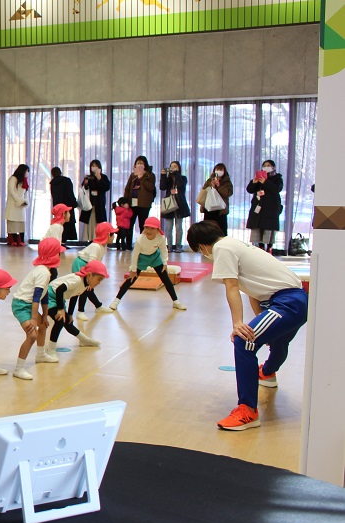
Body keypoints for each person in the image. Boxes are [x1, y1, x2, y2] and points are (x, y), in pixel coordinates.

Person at [186, 221, 308, 431]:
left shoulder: (221, 248)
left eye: (200, 250)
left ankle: (248, 411)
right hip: (296, 300)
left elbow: (232, 286)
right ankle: (267, 373)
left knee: (243, 340)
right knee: (277, 341)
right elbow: (253, 291)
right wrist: (262, 319)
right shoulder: (235, 244)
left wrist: (238, 324)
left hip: (287, 302)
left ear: (202, 246)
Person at [103, 216, 187, 312]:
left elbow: (164, 250)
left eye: (152, 228)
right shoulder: (140, 239)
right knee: (131, 279)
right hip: (142, 258)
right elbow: (135, 255)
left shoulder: (161, 238)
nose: (149, 231)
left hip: (155, 257)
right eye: (147, 228)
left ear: (158, 229)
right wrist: (133, 269)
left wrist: (164, 263)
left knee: (166, 279)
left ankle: (176, 301)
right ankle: (116, 301)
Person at [10, 237, 64, 380]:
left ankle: (40, 355)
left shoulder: (46, 271)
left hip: (29, 305)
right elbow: (36, 297)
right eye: (58, 253)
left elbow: (44, 296)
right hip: (21, 305)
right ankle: (18, 368)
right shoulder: (43, 273)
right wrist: (34, 319)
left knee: (43, 326)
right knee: (32, 335)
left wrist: (44, 316)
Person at [40, 260, 107, 361]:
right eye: (99, 279)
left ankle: (84, 340)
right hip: (49, 296)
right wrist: (61, 309)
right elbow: (59, 290)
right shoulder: (77, 280)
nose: (99, 282)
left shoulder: (85, 284)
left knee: (68, 321)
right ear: (89, 275)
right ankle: (51, 350)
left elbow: (74, 295)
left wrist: (70, 314)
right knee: (60, 320)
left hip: (58, 298)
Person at [70, 222, 117, 321]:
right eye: (112, 234)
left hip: (88, 267)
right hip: (82, 265)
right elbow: (92, 262)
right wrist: (90, 278)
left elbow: (96, 262)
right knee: (84, 288)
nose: (114, 237)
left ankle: (98, 306)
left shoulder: (103, 247)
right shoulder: (96, 246)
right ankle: (80, 311)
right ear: (108, 235)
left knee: (89, 288)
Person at [246, 159, 284, 252]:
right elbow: (249, 190)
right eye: (264, 165)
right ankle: (260, 246)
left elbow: (277, 189)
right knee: (258, 227)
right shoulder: (259, 177)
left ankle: (269, 247)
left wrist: (265, 182)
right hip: (258, 206)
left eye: (268, 165)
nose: (266, 167)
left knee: (269, 228)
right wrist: (254, 182)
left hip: (271, 208)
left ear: (273, 167)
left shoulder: (277, 178)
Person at [159, 161, 189, 252]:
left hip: (179, 204)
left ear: (179, 168)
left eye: (175, 166)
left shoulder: (183, 178)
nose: (173, 168)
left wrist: (176, 174)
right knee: (168, 227)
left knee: (179, 227)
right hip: (169, 204)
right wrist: (163, 175)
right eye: (171, 167)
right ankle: (169, 246)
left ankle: (178, 246)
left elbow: (181, 186)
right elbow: (162, 187)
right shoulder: (168, 179)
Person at [123, 155, 156, 236]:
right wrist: (125, 201)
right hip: (132, 203)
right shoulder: (133, 175)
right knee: (129, 224)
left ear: (145, 165)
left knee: (142, 225)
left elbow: (151, 187)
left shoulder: (150, 175)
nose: (139, 165)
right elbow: (127, 188)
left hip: (144, 204)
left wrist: (142, 178)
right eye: (138, 163)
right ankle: (128, 242)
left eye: (141, 163)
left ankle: (142, 241)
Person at [79, 160, 111, 242]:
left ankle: (99, 237)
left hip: (99, 203)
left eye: (96, 166)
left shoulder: (103, 177)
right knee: (89, 222)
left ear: (99, 167)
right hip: (89, 204)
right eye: (92, 166)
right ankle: (89, 238)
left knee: (99, 221)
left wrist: (99, 178)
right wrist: (85, 183)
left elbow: (106, 187)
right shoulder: (89, 177)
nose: (94, 167)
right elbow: (84, 188)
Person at [199, 163, 233, 236]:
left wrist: (219, 186)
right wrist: (211, 186)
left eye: (221, 169)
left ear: (224, 171)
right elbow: (203, 191)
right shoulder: (209, 180)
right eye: (217, 169)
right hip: (209, 208)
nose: (219, 171)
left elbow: (228, 193)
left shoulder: (227, 182)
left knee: (221, 232)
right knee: (208, 231)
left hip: (221, 210)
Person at [49, 167, 78, 243]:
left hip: (58, 208)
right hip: (67, 206)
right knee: (68, 224)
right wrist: (74, 203)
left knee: (60, 225)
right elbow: (70, 194)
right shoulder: (66, 181)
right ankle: (63, 242)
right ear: (60, 172)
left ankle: (61, 242)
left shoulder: (53, 183)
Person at [5, 164, 29, 246]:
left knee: (21, 224)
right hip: (13, 205)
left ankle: (21, 240)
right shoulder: (13, 179)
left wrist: (25, 201)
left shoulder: (24, 181)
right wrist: (18, 200)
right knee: (12, 223)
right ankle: (14, 240)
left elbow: (25, 193)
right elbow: (12, 191)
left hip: (21, 206)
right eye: (26, 171)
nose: (27, 173)